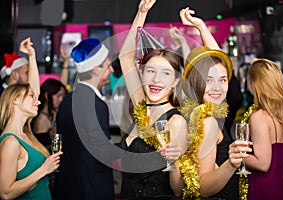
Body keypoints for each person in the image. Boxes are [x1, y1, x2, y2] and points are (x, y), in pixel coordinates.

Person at [118, 0, 188, 198]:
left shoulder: (176, 122)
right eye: (151, 71)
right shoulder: (140, 103)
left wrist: (174, 163)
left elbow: (179, 190)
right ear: (142, 75)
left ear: (175, 81)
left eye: (165, 74)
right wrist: (141, 13)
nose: (156, 79)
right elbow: (125, 57)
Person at [178, 7, 247, 199]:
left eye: (222, 80)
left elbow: (220, 62)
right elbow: (202, 187)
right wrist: (231, 163)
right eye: (209, 80)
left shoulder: (201, 111)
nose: (217, 87)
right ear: (197, 82)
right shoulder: (207, 122)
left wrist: (200, 27)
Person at [55, 37, 115, 200]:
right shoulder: (96, 105)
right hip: (92, 187)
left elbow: (60, 141)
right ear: (96, 69)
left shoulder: (67, 100)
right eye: (108, 65)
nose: (112, 70)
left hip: (69, 185)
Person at [230, 59, 283, 200]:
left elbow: (263, 164)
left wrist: (234, 155)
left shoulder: (259, 116)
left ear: (254, 83)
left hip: (264, 188)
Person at [0, 83, 63, 200]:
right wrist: (44, 170)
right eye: (31, 96)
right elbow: (5, 193)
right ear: (15, 100)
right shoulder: (11, 142)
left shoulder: (26, 136)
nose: (38, 102)